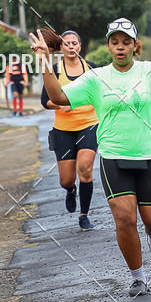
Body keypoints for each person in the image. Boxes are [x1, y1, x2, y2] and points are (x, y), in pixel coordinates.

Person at [31, 18, 151, 296]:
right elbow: (59, 97)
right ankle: (138, 277)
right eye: (115, 42)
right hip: (114, 158)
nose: (120, 47)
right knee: (125, 219)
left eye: (126, 42)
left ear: (135, 46)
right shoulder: (96, 78)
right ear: (109, 46)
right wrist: (44, 62)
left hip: (149, 156)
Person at [40, 29, 99, 231]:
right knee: (66, 179)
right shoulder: (55, 70)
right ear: (61, 47)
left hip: (89, 124)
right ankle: (71, 190)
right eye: (67, 43)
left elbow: (103, 91)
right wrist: (60, 105)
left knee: (85, 169)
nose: (71, 46)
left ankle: (84, 215)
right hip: (63, 129)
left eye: (75, 43)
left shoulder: (92, 68)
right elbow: (45, 101)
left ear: (80, 47)